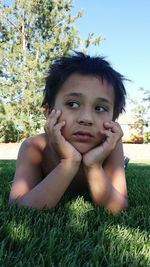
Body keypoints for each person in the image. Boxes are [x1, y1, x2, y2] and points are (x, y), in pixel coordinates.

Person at [9, 51, 128, 213]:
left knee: (121, 165)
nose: (86, 118)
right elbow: (18, 208)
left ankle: (124, 163)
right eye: (72, 104)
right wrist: (69, 162)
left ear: (113, 119)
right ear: (48, 111)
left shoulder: (111, 146)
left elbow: (118, 207)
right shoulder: (33, 147)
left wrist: (93, 166)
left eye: (100, 108)